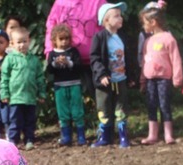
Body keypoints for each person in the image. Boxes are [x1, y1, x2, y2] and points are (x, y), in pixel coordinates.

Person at [138, 1, 183, 145]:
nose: (143, 25)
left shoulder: (168, 38)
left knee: (164, 105)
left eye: (145, 22)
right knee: (151, 105)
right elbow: (145, 61)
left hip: (164, 78)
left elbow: (175, 59)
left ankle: (168, 134)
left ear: (153, 22)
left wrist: (177, 78)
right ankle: (153, 134)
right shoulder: (148, 41)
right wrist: (143, 79)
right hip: (150, 79)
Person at [90, 2, 134, 148]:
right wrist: (101, 74)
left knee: (121, 108)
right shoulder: (99, 37)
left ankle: (123, 137)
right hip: (105, 82)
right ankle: (105, 136)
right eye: (116, 16)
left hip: (120, 79)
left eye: (120, 15)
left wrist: (132, 76)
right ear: (106, 20)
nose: (120, 18)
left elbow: (128, 58)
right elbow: (94, 58)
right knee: (104, 108)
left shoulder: (122, 37)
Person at [44, 0, 107, 97]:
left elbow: (106, 27)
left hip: (92, 60)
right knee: (68, 98)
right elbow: (51, 27)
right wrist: (49, 51)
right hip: (65, 59)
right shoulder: (60, 3)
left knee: (100, 96)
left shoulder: (98, 2)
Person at [0, 27, 46, 151]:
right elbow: (4, 77)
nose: (22, 45)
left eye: (24, 41)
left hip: (30, 97)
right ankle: (13, 142)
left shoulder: (34, 60)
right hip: (15, 97)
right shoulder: (10, 59)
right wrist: (4, 93)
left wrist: (41, 93)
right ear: (12, 44)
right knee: (15, 121)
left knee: (30, 121)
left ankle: (29, 140)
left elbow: (40, 77)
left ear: (29, 41)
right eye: (19, 42)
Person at [47, 24, 86, 146]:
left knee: (77, 110)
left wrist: (68, 62)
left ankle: (81, 136)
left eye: (66, 39)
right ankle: (66, 136)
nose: (64, 42)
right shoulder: (52, 54)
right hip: (59, 86)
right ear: (54, 40)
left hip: (74, 84)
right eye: (61, 39)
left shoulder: (73, 52)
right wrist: (55, 63)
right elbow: (49, 70)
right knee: (63, 112)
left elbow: (79, 67)